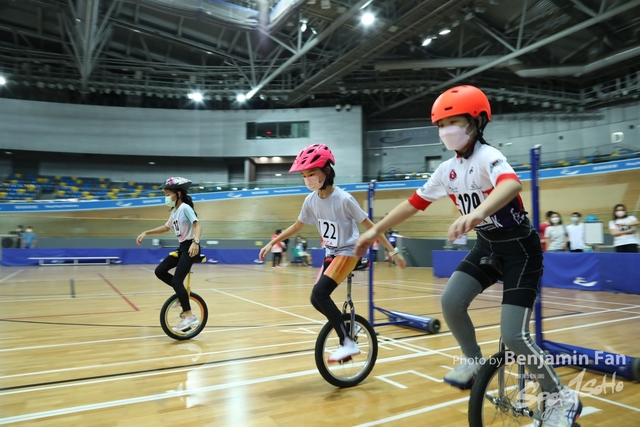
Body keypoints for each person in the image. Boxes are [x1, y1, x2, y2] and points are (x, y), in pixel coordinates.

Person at [354, 85, 581, 427]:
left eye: (454, 122)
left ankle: (561, 397)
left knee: (515, 337)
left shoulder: (487, 157)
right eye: (441, 125)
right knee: (450, 301)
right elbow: (413, 203)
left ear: (476, 123)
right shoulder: (447, 170)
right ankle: (473, 361)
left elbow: (510, 185)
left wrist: (477, 214)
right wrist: (375, 230)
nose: (447, 131)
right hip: (487, 246)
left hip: (521, 250)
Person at [259, 143, 406, 363]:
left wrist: (393, 251)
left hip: (349, 251)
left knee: (321, 293)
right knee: (315, 298)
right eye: (304, 175)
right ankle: (344, 332)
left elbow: (371, 226)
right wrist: (272, 243)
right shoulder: (310, 201)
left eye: (312, 173)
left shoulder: (344, 199)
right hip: (331, 253)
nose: (308, 179)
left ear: (326, 171)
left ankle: (347, 343)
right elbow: (297, 227)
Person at [136, 177, 203, 332]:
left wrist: (196, 242)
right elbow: (166, 228)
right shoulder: (175, 211)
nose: (166, 197)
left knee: (177, 281)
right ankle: (182, 296)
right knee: (160, 271)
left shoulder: (185, 208)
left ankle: (189, 316)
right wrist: (146, 232)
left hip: (190, 247)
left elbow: (197, 225)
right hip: (181, 248)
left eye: (167, 193)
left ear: (178, 194)